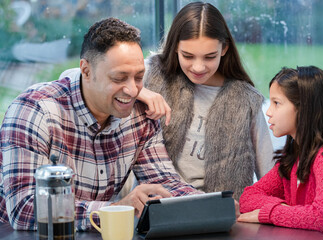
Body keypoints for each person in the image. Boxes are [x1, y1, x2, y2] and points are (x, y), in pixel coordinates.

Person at [0, 17, 202, 231]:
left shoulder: (140, 115)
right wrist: (114, 209)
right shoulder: (34, 110)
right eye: (119, 78)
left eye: (139, 77)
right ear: (86, 71)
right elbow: (24, 208)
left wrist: (213, 206)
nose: (133, 91)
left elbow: (165, 184)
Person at [137, 2, 273, 200]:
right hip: (159, 209)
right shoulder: (152, 72)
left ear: (224, 49)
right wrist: (140, 92)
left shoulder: (246, 99)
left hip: (224, 217)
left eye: (209, 57)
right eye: (188, 56)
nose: (198, 67)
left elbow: (268, 175)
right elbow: (96, 79)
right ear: (175, 47)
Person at [238, 66, 323, 240]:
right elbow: (248, 197)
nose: (269, 112)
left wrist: (269, 213)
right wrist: (289, 211)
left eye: (276, 103)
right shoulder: (296, 155)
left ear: (304, 108)